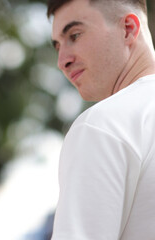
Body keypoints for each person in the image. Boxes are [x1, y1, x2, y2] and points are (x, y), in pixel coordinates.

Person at [47, 0, 155, 239]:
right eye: (57, 46)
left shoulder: (102, 126)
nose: (62, 61)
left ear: (128, 28)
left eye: (74, 35)